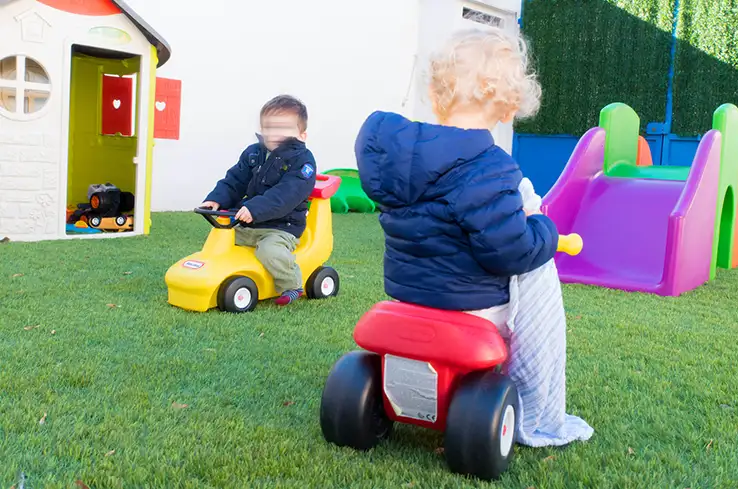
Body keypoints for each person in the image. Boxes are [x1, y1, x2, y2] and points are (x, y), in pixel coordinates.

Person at [355, 28, 593, 445]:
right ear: (507, 108)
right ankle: (537, 405)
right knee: (537, 274)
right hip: (471, 308)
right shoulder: (491, 169)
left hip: (406, 296)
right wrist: (545, 230)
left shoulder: (396, 157)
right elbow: (511, 252)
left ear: (436, 91)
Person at [202, 95, 316, 306]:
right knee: (220, 237)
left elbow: (285, 194)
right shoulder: (254, 153)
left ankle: (292, 285)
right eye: (269, 127)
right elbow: (235, 179)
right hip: (249, 221)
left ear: (302, 135)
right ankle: (208, 278)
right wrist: (216, 199)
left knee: (269, 250)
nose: (274, 134)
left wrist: (253, 208)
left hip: (281, 226)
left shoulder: (303, 163)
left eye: (283, 128)